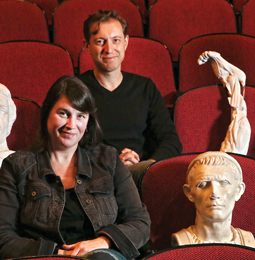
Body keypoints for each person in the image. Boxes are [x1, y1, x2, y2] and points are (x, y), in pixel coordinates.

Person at [0, 76, 151, 260]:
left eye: (80, 116)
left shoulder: (109, 159)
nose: (71, 125)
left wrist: (103, 242)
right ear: (47, 113)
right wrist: (60, 255)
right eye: (63, 113)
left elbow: (140, 222)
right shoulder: (16, 166)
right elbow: (1, 238)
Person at [76, 10, 182, 186]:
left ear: (125, 42)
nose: (109, 49)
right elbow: (61, 145)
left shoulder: (145, 87)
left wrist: (146, 166)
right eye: (100, 41)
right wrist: (111, 163)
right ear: (86, 45)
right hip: (91, 177)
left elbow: (171, 141)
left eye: (116, 40)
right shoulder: (74, 89)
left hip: (139, 176)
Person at [172, 152, 255, 248]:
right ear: (189, 193)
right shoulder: (182, 242)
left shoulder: (247, 241)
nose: (214, 193)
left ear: (238, 190)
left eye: (224, 183)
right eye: (203, 184)